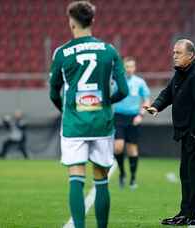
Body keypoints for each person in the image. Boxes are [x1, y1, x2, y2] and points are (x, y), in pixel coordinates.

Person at [48, 2, 128, 228]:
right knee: (101, 179)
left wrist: (64, 108)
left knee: (76, 176)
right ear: (92, 21)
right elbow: (123, 90)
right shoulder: (109, 51)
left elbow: (53, 92)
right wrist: (104, 102)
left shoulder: (62, 53)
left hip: (74, 123)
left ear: (71, 22)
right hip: (102, 122)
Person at [144, 39, 195, 226]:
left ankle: (192, 215)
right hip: (187, 131)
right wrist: (155, 107)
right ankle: (185, 212)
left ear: (191, 55)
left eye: (178, 53)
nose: (174, 56)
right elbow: (168, 93)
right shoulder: (181, 74)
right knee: (185, 173)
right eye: (174, 53)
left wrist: (194, 134)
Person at [113, 57, 151, 190]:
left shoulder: (139, 82)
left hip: (133, 117)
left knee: (131, 149)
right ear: (123, 68)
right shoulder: (117, 81)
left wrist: (141, 114)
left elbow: (147, 100)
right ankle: (122, 173)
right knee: (118, 147)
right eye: (126, 66)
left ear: (134, 68)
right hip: (118, 117)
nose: (129, 69)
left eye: (131, 66)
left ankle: (133, 178)